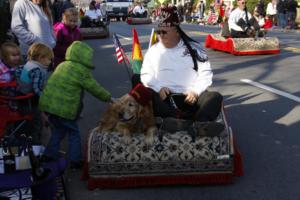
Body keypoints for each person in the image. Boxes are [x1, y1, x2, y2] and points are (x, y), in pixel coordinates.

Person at [137, 8, 223, 132]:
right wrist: (158, 87)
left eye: (164, 32)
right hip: (164, 99)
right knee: (143, 92)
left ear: (176, 31)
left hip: (191, 99)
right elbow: (146, 75)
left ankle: (200, 124)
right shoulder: (153, 51)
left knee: (215, 97)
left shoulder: (195, 49)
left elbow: (205, 74)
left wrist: (195, 92)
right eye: (158, 32)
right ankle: (175, 122)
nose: (160, 35)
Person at [39, 41, 112, 168]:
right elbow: (94, 87)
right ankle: (75, 160)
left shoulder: (62, 65)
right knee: (74, 132)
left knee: (59, 131)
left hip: (51, 106)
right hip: (65, 109)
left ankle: (49, 155)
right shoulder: (81, 70)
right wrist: (109, 98)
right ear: (85, 57)